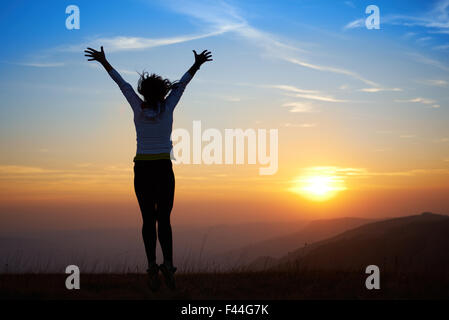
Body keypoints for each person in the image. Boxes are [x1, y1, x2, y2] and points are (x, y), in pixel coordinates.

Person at [84, 46, 212, 291]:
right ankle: (168, 265)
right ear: (162, 91)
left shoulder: (137, 106)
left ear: (144, 92)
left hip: (142, 169)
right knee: (164, 219)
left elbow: (122, 85)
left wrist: (104, 61)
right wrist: (197, 65)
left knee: (147, 219)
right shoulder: (169, 106)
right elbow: (182, 85)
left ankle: (152, 266)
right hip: (163, 169)